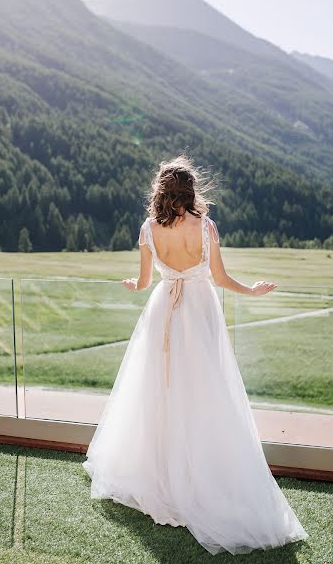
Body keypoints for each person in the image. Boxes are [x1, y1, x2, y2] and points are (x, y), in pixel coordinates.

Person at [82, 155, 309, 556]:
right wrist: (253, 291)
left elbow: (145, 280)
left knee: (157, 389)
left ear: (160, 192)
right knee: (205, 391)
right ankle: (200, 473)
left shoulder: (148, 228)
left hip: (162, 312)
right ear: (190, 191)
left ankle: (160, 475)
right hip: (198, 312)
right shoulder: (206, 228)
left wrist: (134, 286)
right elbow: (220, 279)